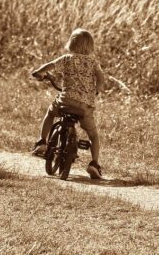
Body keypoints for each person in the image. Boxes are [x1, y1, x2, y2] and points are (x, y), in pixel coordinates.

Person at [30, 28, 106, 179]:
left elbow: (50, 65)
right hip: (85, 105)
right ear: (91, 46)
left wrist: (39, 72)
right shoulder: (93, 62)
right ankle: (94, 164)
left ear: (71, 43)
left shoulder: (67, 59)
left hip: (66, 100)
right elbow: (100, 77)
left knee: (51, 113)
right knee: (93, 135)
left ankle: (42, 142)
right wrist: (98, 88)